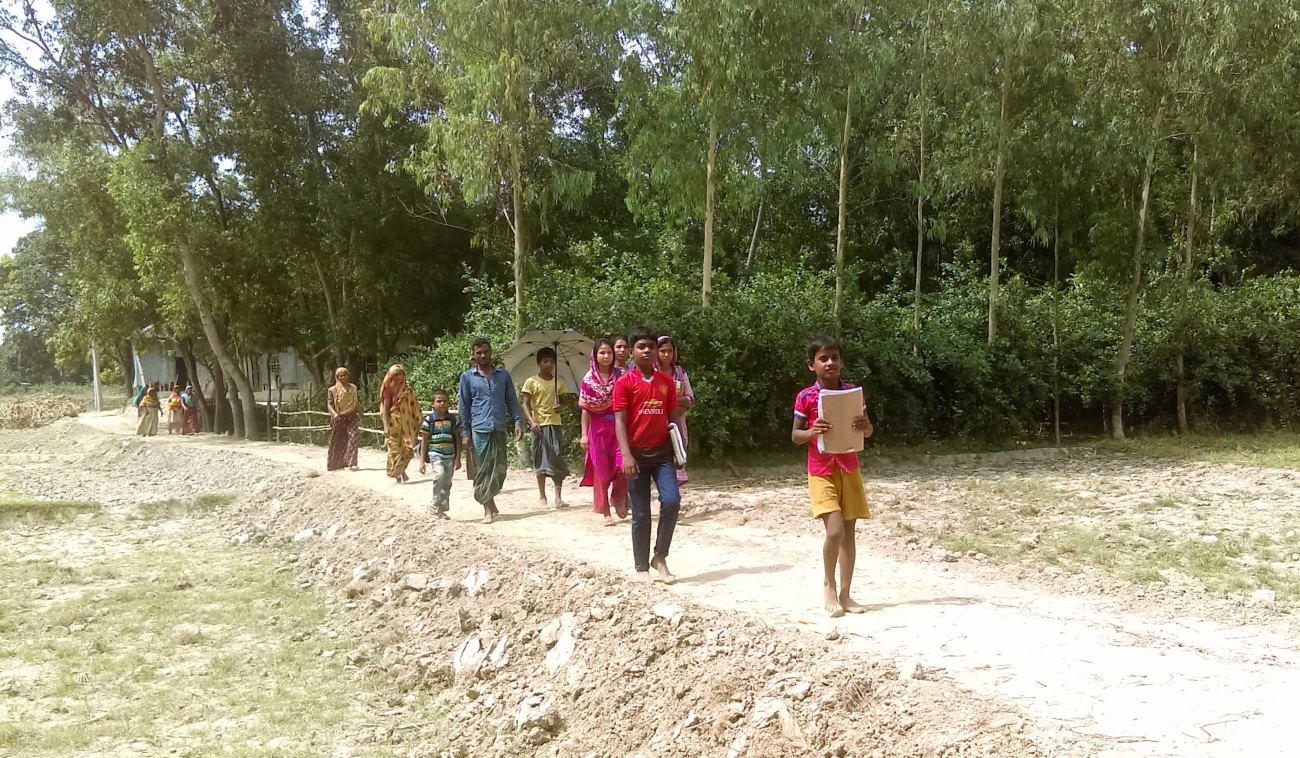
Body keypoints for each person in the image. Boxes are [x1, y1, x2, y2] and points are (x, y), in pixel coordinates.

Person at [791, 335, 874, 618]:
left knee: (849, 533)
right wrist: (812, 431)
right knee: (835, 531)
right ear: (811, 365)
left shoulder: (853, 392)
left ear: (841, 361)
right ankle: (829, 583)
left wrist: (866, 426)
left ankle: (846, 594)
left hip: (849, 467)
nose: (830, 363)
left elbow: (867, 431)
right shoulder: (806, 397)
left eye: (834, 357)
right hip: (821, 470)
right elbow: (795, 436)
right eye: (823, 358)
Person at [615, 326, 685, 584]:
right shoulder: (624, 383)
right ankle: (641, 565)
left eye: (651, 347)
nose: (647, 351)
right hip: (636, 456)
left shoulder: (666, 382)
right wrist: (626, 456)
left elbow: (672, 418)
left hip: (663, 455)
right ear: (631, 352)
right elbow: (620, 422)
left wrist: (679, 449)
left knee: (672, 500)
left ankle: (660, 556)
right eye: (641, 347)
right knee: (641, 512)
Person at [458, 339, 525, 523]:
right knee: (484, 470)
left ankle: (490, 500)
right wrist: (464, 434)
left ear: (491, 352)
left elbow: (512, 401)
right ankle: (487, 509)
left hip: (499, 427)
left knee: (500, 469)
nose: (482, 355)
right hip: (479, 429)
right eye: (478, 352)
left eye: (485, 352)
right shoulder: (467, 377)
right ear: (474, 354)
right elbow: (463, 406)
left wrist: (518, 422)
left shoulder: (502, 375)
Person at [580, 338, 628, 526]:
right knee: (601, 471)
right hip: (598, 430)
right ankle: (606, 512)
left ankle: (617, 498)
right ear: (595, 355)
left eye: (609, 352)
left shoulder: (622, 376)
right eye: (602, 353)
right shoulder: (588, 380)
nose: (606, 356)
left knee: (624, 465)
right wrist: (584, 434)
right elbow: (585, 409)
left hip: (619, 427)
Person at [521, 347, 570, 508]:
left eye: (552, 361)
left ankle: (558, 497)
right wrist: (531, 422)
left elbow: (564, 401)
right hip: (539, 426)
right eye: (545, 361)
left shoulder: (559, 382)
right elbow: (525, 404)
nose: (549, 364)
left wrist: (560, 406)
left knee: (556, 457)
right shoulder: (531, 382)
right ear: (538, 363)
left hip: (555, 424)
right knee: (539, 459)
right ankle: (542, 496)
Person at [656, 335, 694, 484]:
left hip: (677, 420)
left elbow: (690, 397)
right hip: (657, 420)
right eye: (662, 351)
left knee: (678, 450)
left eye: (669, 351)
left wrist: (674, 404)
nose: (666, 354)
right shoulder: (652, 373)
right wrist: (675, 404)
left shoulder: (679, 372)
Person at [418, 389, 461, 519]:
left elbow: (458, 440)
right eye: (438, 401)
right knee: (439, 475)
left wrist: (458, 458)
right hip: (435, 453)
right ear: (432, 404)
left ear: (448, 403)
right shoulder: (429, 421)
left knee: (447, 482)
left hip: (450, 455)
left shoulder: (452, 420)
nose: (441, 404)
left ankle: (441, 510)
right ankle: (434, 502)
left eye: (444, 401)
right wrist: (421, 460)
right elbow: (424, 441)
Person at [381, 364, 422, 483]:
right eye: (395, 374)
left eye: (400, 374)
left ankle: (401, 470)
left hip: (408, 424)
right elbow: (386, 409)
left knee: (407, 449)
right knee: (395, 449)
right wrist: (385, 426)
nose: (398, 376)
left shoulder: (408, 390)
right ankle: (397, 474)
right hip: (393, 422)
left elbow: (414, 407)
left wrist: (418, 422)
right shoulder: (388, 390)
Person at [327, 367, 361, 472]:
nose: (343, 377)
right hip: (339, 417)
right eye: (341, 375)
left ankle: (352, 463)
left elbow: (356, 403)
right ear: (337, 377)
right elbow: (329, 404)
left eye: (345, 375)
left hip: (352, 416)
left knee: (353, 437)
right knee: (338, 441)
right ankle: (336, 464)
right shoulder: (332, 390)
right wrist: (334, 414)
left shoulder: (353, 388)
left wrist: (362, 414)